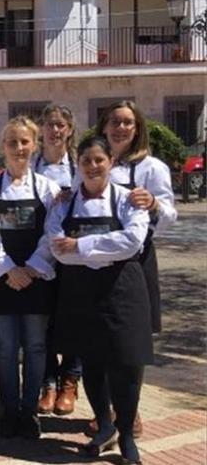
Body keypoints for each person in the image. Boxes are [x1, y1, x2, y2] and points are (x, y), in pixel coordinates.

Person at [46, 135, 151, 465]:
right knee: (91, 361)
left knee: (126, 363)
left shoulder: (128, 199)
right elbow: (55, 248)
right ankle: (104, 426)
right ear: (78, 165)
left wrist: (80, 247)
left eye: (99, 160)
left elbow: (133, 241)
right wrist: (102, 248)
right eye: (86, 161)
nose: (93, 166)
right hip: (80, 290)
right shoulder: (64, 203)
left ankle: (127, 434)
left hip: (122, 288)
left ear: (111, 163)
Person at [90, 100, 178, 439]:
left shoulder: (152, 167)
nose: (121, 128)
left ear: (137, 127)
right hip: (94, 260)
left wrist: (154, 204)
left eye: (127, 122)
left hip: (136, 262)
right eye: (114, 121)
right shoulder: (94, 160)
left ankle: (129, 410)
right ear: (104, 126)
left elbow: (170, 217)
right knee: (98, 336)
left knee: (131, 342)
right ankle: (105, 409)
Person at [0, 117, 60, 440]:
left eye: (24, 142)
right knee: (6, 348)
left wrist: (30, 268)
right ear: (3, 148)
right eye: (12, 142)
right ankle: (9, 411)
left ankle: (29, 412)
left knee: (36, 346)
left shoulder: (48, 189)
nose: (18, 148)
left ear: (34, 145)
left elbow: (53, 233)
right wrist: (8, 269)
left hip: (36, 279)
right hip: (2, 281)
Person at [33, 104, 82, 417]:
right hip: (38, 254)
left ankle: (70, 381)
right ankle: (48, 383)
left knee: (74, 319)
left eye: (60, 125)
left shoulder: (79, 166)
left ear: (69, 130)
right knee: (44, 320)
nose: (54, 131)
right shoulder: (31, 166)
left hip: (73, 255)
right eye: (49, 125)